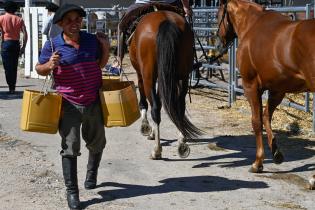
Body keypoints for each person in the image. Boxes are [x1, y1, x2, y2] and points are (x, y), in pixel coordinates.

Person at [35, 4, 110, 210]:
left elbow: (99, 65)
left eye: (78, 19)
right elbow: (39, 69)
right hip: (68, 103)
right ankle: (72, 192)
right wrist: (49, 65)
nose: (74, 23)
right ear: (60, 24)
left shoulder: (91, 40)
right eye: (69, 20)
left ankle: (92, 172)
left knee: (97, 143)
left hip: (93, 100)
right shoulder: (52, 45)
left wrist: (105, 49)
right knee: (70, 146)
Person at [117, 0, 192, 63]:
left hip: (143, 3)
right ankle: (189, 59)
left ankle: (119, 59)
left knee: (122, 25)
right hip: (170, 3)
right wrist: (186, 7)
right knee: (186, 26)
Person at [0, 1, 27, 94]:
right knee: (14, 66)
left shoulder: (1, 18)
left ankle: (10, 86)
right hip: (16, 43)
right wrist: (23, 47)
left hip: (6, 43)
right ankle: (13, 88)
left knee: (7, 67)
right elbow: (25, 34)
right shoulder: (19, 19)